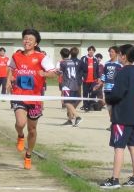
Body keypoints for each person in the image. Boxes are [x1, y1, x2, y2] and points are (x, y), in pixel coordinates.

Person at [7, 29, 56, 170]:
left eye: (30, 39)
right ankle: (20, 135)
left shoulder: (41, 57)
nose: (27, 41)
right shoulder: (16, 56)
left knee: (32, 129)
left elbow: (54, 73)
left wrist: (44, 73)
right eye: (25, 38)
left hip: (35, 98)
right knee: (20, 123)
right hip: (19, 95)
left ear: (36, 43)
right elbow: (10, 69)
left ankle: (28, 155)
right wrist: (8, 80)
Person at [100, 44, 134, 189]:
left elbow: (117, 94)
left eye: (119, 55)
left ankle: (115, 179)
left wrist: (107, 99)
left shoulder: (123, 72)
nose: (118, 57)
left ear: (124, 56)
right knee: (133, 146)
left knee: (118, 147)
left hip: (122, 116)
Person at [98, 46, 122, 128]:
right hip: (107, 88)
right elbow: (104, 75)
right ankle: (113, 123)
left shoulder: (120, 64)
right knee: (109, 107)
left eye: (112, 52)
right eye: (109, 52)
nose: (110, 53)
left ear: (117, 53)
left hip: (115, 89)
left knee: (116, 107)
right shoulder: (107, 63)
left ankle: (117, 124)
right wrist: (100, 84)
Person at [58, 47, 82, 126]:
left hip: (67, 85)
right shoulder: (72, 62)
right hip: (74, 84)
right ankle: (69, 120)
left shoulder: (63, 63)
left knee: (67, 102)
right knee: (70, 102)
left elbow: (60, 73)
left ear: (61, 55)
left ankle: (77, 116)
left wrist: (56, 71)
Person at [79, 45, 101, 111]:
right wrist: (81, 76)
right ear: (88, 51)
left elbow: (97, 69)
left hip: (93, 80)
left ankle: (90, 105)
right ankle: (85, 106)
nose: (91, 51)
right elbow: (80, 69)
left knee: (93, 93)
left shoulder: (95, 59)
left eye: (92, 50)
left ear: (94, 51)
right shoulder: (83, 58)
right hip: (85, 79)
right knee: (85, 93)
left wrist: (98, 77)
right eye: (90, 50)